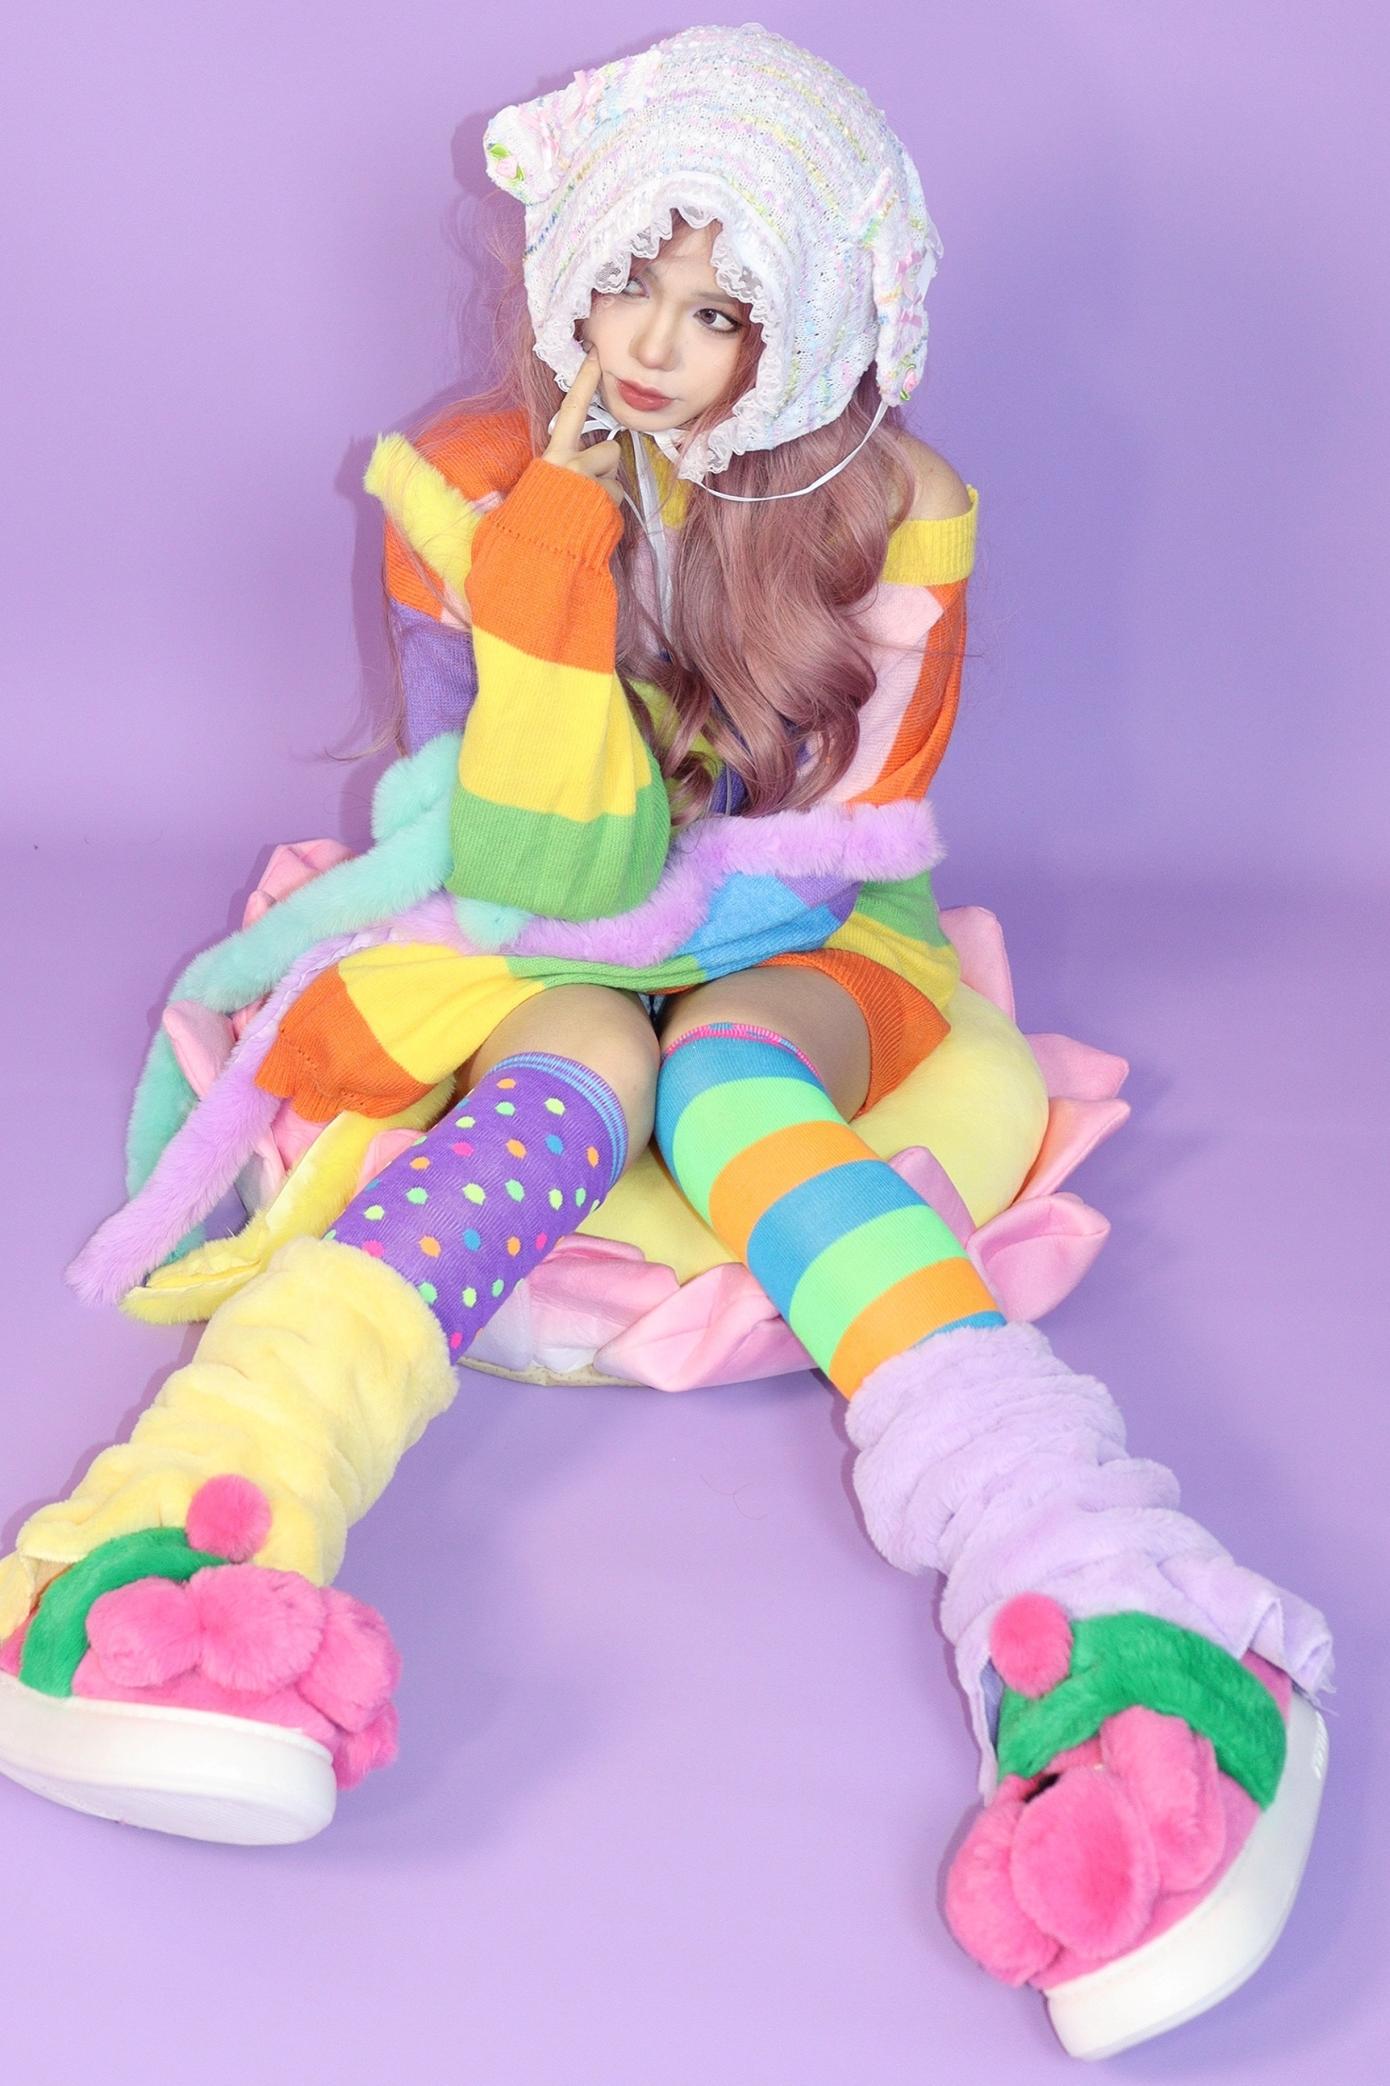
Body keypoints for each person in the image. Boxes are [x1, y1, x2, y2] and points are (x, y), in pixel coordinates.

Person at [0, 23, 1331, 2061]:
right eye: (628, 274)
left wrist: (674, 918)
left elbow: (853, 829)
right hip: (534, 907)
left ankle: (1109, 1589)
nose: (648, 341)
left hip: (800, 920)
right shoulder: (466, 481)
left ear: (805, 331)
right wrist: (552, 567)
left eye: (718, 307)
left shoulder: (898, 510)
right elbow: (505, 822)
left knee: (721, 1075)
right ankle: (197, 1502)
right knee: (574, 1081)